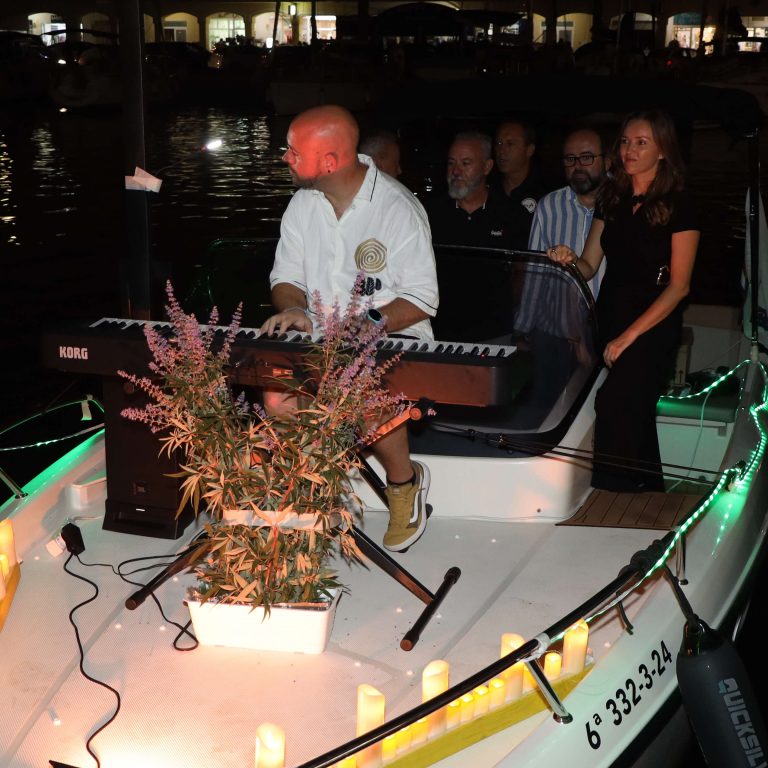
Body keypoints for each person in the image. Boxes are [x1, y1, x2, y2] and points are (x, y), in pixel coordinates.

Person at [261, 105, 438, 552]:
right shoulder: (303, 205)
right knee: (277, 394)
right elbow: (285, 278)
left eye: (294, 152)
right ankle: (309, 492)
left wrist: (368, 323)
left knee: (361, 390)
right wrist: (295, 309)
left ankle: (404, 483)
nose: (286, 158)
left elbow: (421, 298)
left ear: (330, 162)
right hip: (323, 335)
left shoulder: (399, 208)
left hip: (391, 333)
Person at [546, 109, 699, 492]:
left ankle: (609, 498)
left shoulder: (681, 204)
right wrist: (568, 258)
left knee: (612, 404)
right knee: (637, 415)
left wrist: (629, 337)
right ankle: (649, 497)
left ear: (663, 150)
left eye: (641, 142)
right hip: (611, 318)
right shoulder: (611, 199)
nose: (630, 150)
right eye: (626, 141)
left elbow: (679, 286)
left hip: (652, 326)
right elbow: (589, 265)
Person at [529, 127, 608, 297]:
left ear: (607, 161)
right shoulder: (548, 206)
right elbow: (535, 275)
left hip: (616, 320)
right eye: (570, 159)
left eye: (586, 157)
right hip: (561, 321)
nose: (577, 166)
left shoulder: (622, 202)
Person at [426, 130, 511, 248]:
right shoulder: (432, 213)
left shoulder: (508, 213)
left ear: (487, 167)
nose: (455, 171)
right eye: (451, 163)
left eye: (465, 163)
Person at [493, 119, 550, 249]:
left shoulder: (545, 195)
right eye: (499, 143)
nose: (501, 151)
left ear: (529, 150)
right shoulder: (487, 190)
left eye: (510, 144)